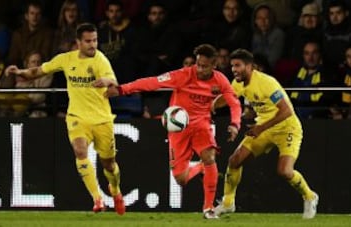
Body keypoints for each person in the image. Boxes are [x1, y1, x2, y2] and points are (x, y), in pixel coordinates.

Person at [93, 44, 242, 219]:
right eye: (198, 64)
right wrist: (121, 90)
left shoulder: (220, 80)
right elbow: (152, 82)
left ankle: (208, 208)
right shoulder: (183, 75)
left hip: (202, 124)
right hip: (179, 128)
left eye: (205, 66)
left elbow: (234, 102)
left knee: (209, 157)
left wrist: (235, 123)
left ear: (214, 64)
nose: (200, 69)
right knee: (181, 179)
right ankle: (201, 167)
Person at [5, 23, 125, 215]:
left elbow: (115, 83)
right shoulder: (66, 59)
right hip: (77, 116)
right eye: (88, 41)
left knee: (109, 163)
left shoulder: (100, 60)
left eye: (95, 40)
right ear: (78, 42)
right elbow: (39, 71)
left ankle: (116, 191)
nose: (93, 45)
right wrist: (20, 72)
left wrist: (108, 81)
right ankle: (97, 198)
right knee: (80, 151)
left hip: (102, 119)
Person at [212, 49, 319, 219]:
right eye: (232, 66)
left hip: (287, 128)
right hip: (264, 126)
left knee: (284, 171)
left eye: (238, 65)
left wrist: (260, 128)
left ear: (250, 66)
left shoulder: (267, 83)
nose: (234, 69)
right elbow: (228, 98)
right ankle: (227, 203)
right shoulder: (238, 83)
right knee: (235, 160)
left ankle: (310, 196)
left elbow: (286, 111)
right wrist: (209, 106)